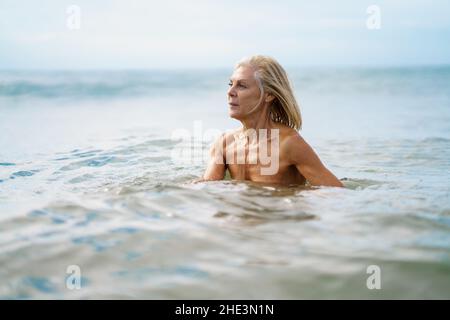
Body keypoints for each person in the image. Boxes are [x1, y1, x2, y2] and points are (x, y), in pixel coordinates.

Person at [202, 55, 343, 187]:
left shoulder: (288, 144)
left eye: (242, 86)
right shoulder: (225, 143)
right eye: (230, 84)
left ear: (268, 95)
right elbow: (207, 189)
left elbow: (336, 193)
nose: (230, 92)